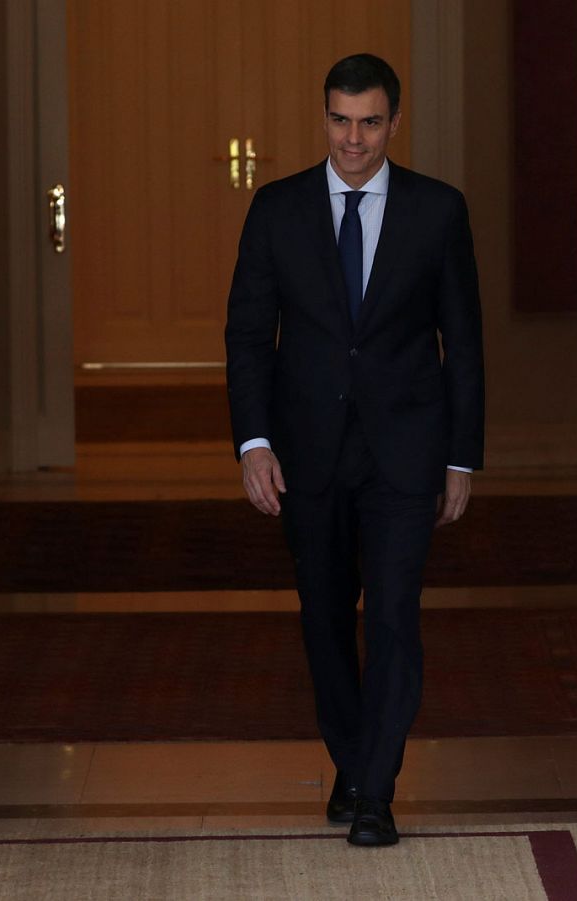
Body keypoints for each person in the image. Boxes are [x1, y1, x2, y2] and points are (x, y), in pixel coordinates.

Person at [224, 53, 484, 847]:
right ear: (324, 117)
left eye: (370, 121)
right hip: (307, 455)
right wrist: (254, 441)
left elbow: (463, 343)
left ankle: (377, 789)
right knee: (327, 621)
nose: (354, 137)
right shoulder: (277, 209)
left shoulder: (437, 211)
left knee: (396, 618)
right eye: (340, 119)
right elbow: (246, 337)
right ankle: (353, 758)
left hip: (406, 452)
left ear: (394, 123)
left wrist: (461, 458)